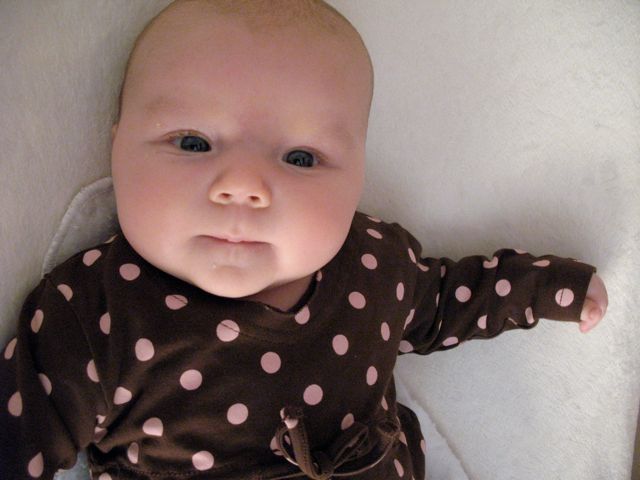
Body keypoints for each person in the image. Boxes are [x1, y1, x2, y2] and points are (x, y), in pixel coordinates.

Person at [0, 1, 608, 479]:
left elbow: (454, 298)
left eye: (300, 157)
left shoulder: (375, 265)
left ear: (358, 176)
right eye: (192, 142)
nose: (242, 186)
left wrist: (550, 288)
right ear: (117, 147)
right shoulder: (92, 314)